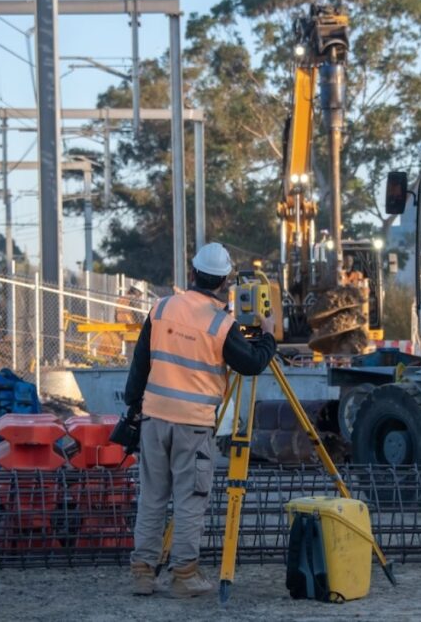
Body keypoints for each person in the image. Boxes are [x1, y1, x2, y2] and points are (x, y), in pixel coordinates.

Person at [126, 242, 277, 598]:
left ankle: (143, 574)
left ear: (192, 274)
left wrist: (135, 407)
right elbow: (252, 364)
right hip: (192, 424)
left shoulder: (160, 308)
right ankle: (184, 576)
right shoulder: (221, 324)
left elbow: (139, 366)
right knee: (190, 499)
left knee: (152, 497)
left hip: (154, 417)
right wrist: (268, 335)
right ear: (225, 282)